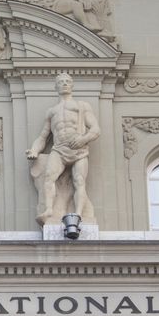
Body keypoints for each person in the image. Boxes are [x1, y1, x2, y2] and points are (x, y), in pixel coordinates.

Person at [26, 73, 100, 224]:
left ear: (72, 85)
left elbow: (95, 130)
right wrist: (34, 150)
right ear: (56, 87)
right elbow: (43, 136)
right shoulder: (51, 112)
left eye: (67, 81)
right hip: (59, 149)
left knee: (79, 181)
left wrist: (82, 139)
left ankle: (79, 214)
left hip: (79, 150)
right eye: (61, 82)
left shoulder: (82, 106)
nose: (64, 84)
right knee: (48, 178)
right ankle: (48, 209)